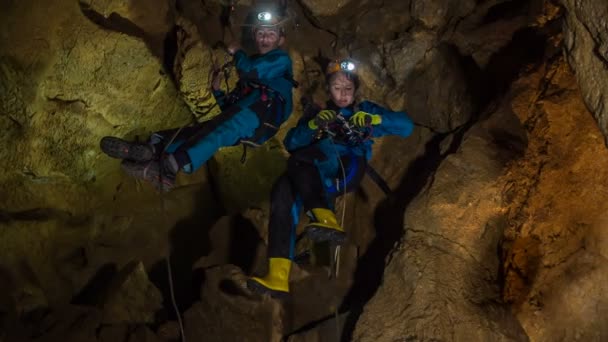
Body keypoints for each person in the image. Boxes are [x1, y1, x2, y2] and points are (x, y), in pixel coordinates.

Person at [246, 59, 415, 298]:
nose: (343, 93)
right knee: (282, 191)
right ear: (328, 89)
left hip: (346, 170)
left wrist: (374, 120)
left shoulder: (363, 111)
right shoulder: (318, 114)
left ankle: (326, 219)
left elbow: (406, 126)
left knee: (300, 161)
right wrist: (314, 123)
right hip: (313, 177)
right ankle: (278, 274)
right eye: (337, 87)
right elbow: (292, 142)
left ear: (356, 90)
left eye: (348, 88)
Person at [99, 8, 295, 192]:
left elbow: (250, 69)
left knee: (219, 129)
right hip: (251, 119)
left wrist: (237, 51)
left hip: (261, 114)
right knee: (200, 131)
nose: (264, 38)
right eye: (261, 33)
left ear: (281, 39)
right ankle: (152, 148)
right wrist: (217, 91)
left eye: (271, 34)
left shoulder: (281, 60)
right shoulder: (252, 86)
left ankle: (169, 167)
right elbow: (228, 107)